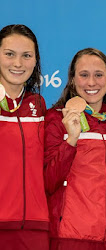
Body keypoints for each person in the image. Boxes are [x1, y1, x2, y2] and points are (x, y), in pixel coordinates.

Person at [44, 48, 106, 250]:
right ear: (72, 79)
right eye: (84, 75)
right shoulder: (55, 118)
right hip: (70, 238)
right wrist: (71, 139)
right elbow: (48, 181)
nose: (91, 83)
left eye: (98, 75)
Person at [0, 24, 49, 249]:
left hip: (34, 229)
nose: (18, 64)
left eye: (26, 56)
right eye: (9, 54)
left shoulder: (38, 105)